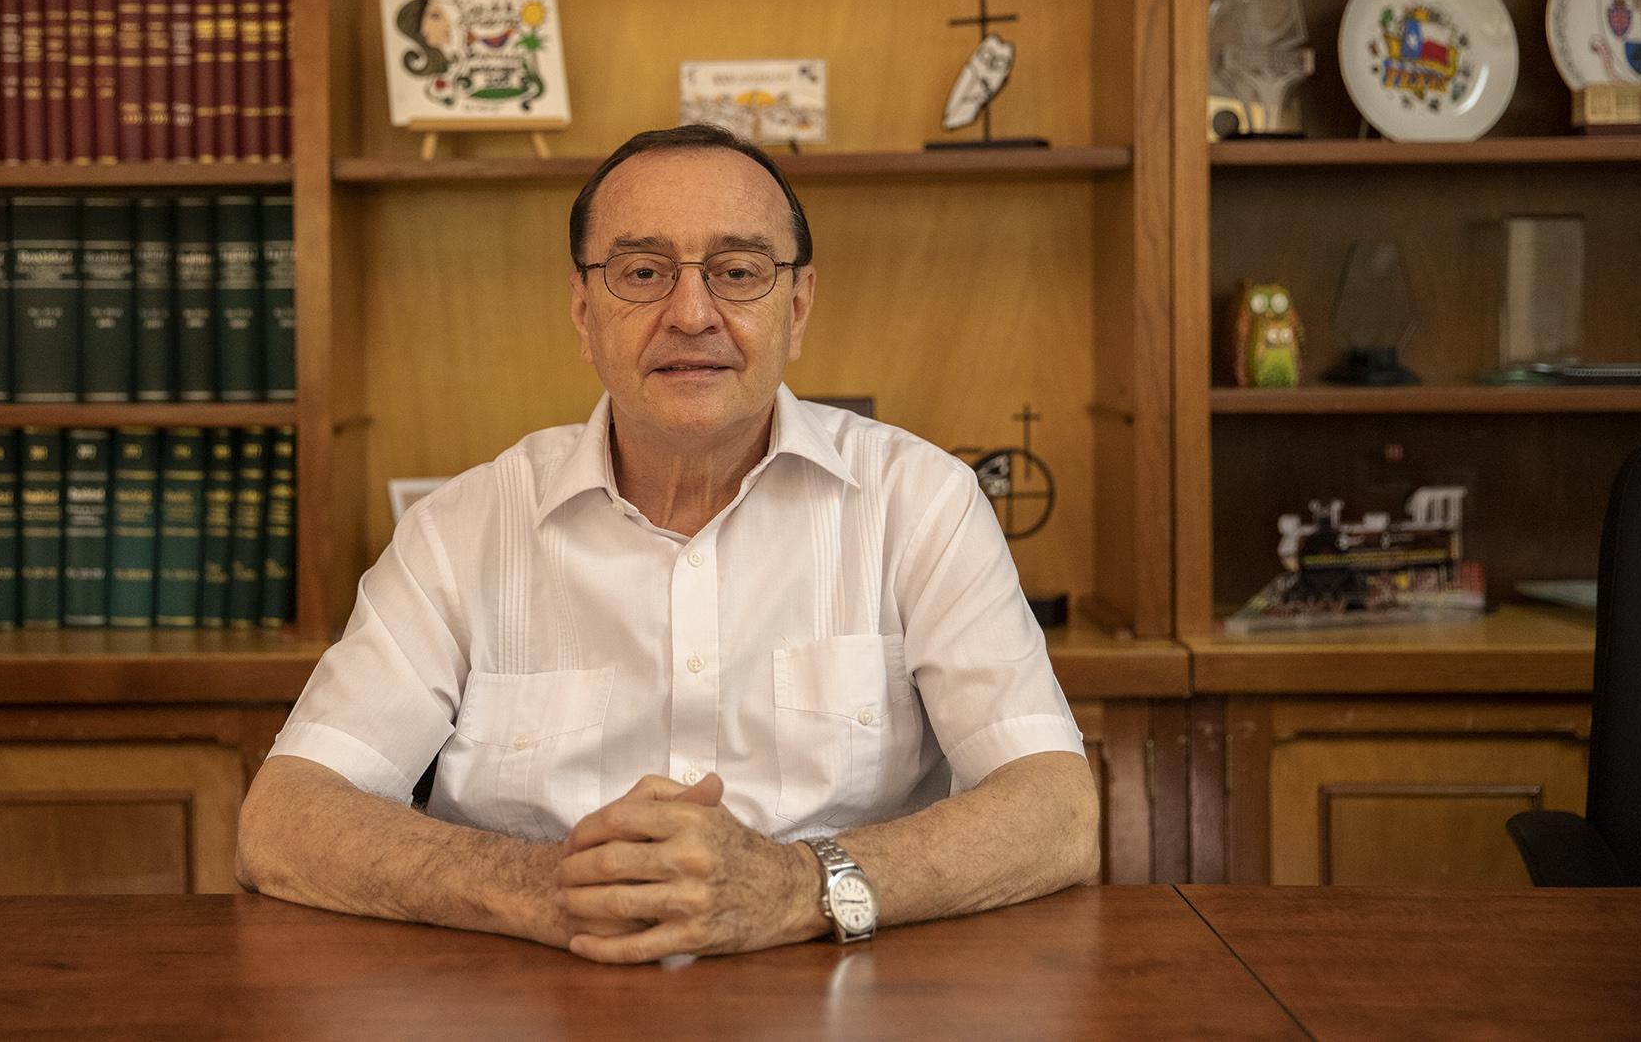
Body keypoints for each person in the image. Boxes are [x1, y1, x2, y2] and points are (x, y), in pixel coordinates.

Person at [238, 125, 1099, 963]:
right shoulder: (460, 531)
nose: (692, 313)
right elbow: (285, 818)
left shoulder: (921, 504)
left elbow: (1057, 810)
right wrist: (554, 888)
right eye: (642, 271)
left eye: (738, 271)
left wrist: (796, 887)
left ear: (796, 308)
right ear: (584, 312)